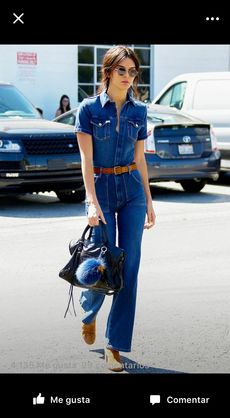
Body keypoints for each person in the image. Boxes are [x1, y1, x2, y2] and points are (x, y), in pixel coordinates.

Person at [74, 45, 156, 372]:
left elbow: (140, 159)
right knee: (101, 264)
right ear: (107, 71)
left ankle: (115, 345)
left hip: (132, 189)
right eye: (121, 70)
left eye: (132, 71)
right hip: (102, 189)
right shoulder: (89, 109)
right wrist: (90, 202)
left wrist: (149, 200)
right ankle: (89, 311)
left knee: (131, 265)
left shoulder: (139, 111)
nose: (127, 77)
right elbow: (86, 159)